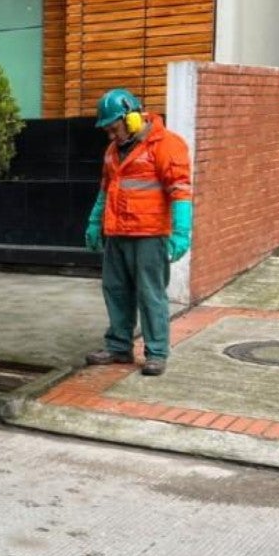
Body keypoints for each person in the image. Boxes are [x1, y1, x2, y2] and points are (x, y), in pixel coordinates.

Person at [83, 88, 193, 376]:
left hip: (150, 235)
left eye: (113, 127)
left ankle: (156, 352)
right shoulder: (112, 152)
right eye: (106, 129)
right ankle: (119, 347)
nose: (110, 135)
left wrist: (182, 232)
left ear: (131, 117)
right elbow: (105, 190)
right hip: (117, 234)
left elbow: (181, 190)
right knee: (115, 291)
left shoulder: (166, 145)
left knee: (150, 294)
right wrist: (95, 222)